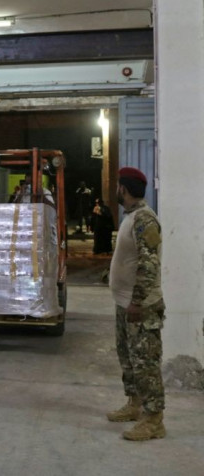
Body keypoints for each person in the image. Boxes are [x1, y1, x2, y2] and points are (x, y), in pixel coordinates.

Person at [107, 167, 166, 441]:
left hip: (140, 306)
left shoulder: (145, 220)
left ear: (124, 189)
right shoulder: (131, 217)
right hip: (125, 303)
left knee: (146, 364)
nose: (117, 190)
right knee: (129, 359)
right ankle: (134, 405)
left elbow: (149, 264)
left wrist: (137, 302)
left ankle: (154, 420)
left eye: (119, 186)